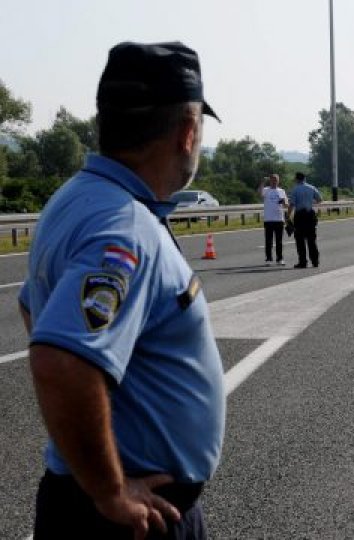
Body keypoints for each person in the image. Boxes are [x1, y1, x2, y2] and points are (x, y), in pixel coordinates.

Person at [17, 41, 224, 539]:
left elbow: (31, 307)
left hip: (92, 504)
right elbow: (60, 359)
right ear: (187, 131)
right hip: (130, 519)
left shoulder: (74, 199)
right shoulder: (124, 229)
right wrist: (110, 490)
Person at [287, 171, 322, 268]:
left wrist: (288, 216)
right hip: (310, 215)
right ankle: (315, 261)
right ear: (304, 179)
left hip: (300, 216)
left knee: (300, 240)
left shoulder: (295, 189)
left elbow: (292, 204)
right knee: (311, 239)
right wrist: (310, 202)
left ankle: (303, 262)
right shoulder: (311, 187)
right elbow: (319, 199)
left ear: (297, 179)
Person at [259, 174, 287, 265]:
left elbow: (286, 204)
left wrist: (284, 202)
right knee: (268, 241)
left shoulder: (281, 191)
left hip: (279, 219)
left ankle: (280, 258)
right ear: (270, 181)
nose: (274, 182)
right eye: (272, 180)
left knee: (279, 241)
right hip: (268, 219)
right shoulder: (266, 190)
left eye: (276, 180)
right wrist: (263, 182)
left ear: (278, 181)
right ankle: (268, 258)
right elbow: (259, 192)